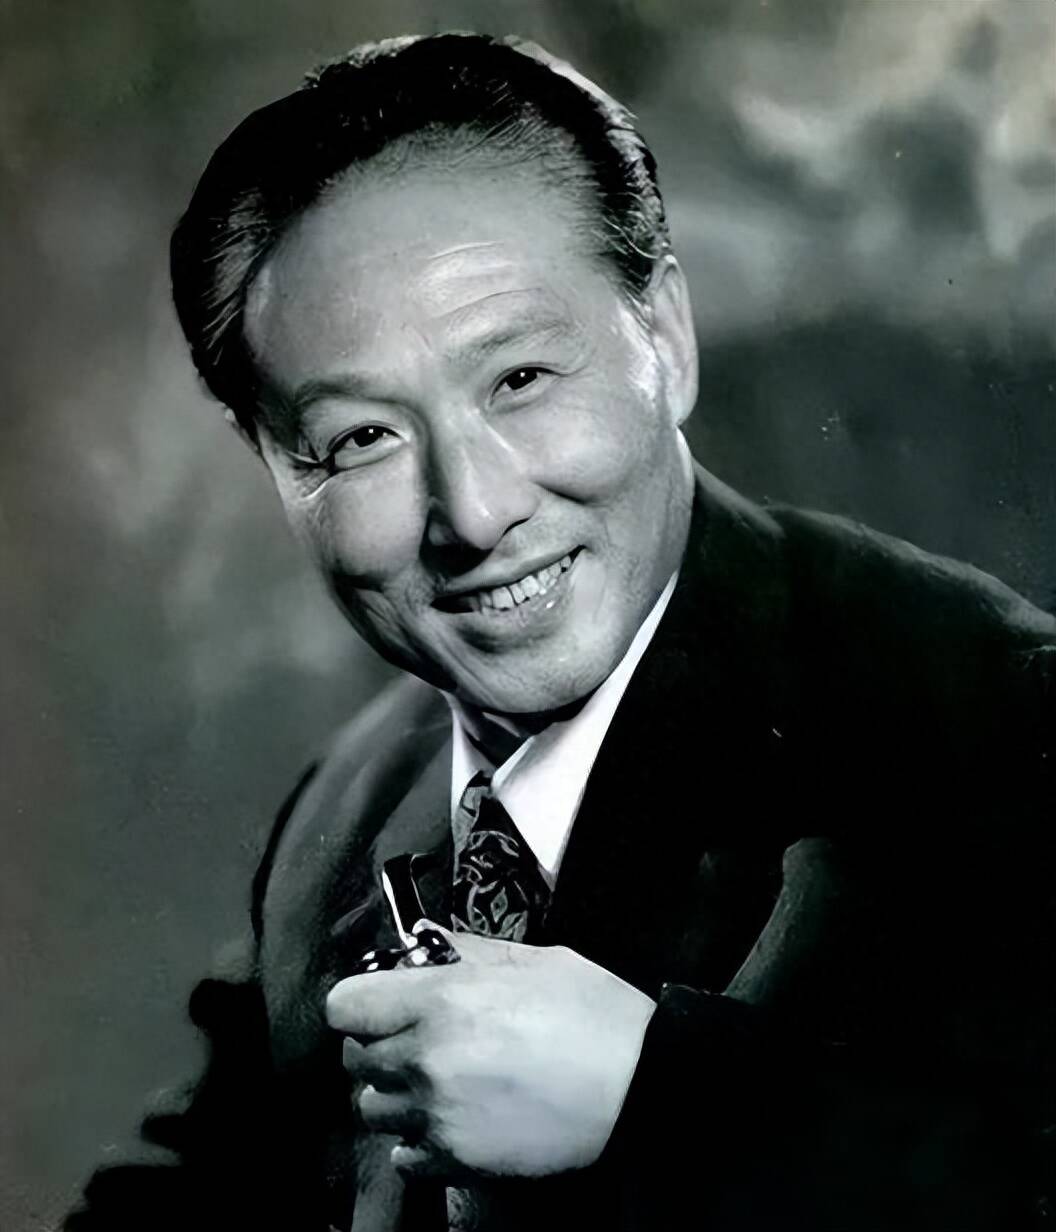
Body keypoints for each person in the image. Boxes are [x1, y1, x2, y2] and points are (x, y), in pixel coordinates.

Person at [65, 32, 1054, 1232]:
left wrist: (656, 1094)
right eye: (362, 438)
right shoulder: (350, 805)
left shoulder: (998, 717)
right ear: (274, 464)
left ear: (665, 338)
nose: (475, 513)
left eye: (523, 378)